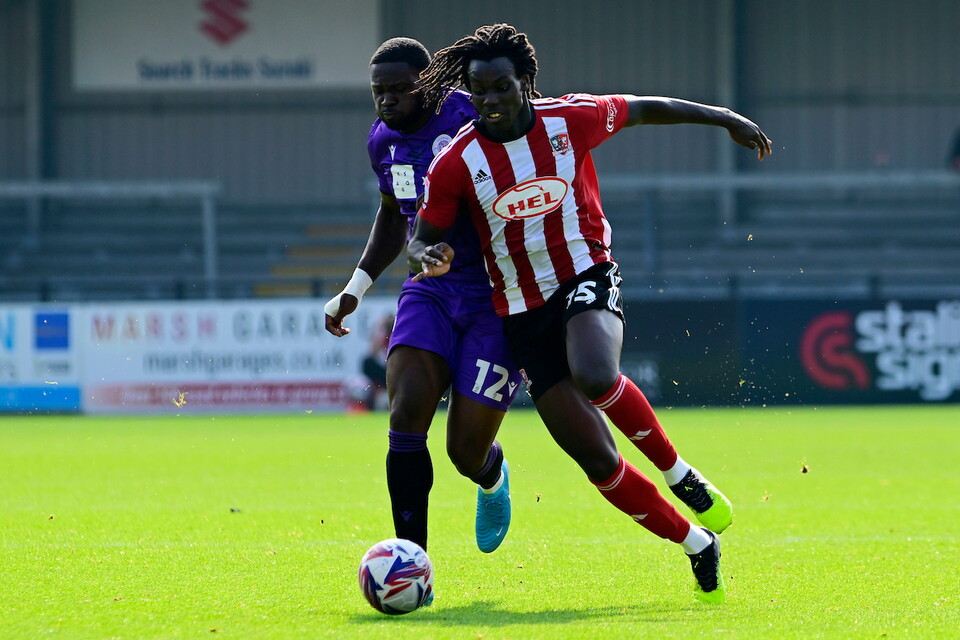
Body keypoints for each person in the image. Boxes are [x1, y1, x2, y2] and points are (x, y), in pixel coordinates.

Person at [408, 23, 772, 604]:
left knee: (596, 373)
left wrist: (722, 116)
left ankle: (681, 475)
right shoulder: (456, 161)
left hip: (584, 273)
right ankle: (696, 542)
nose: (491, 101)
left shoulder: (570, 119)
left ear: (525, 81)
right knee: (599, 462)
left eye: (502, 86)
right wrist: (426, 253)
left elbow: (649, 108)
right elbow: (420, 237)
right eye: (479, 91)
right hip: (521, 312)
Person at [324, 37, 522, 557]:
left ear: (427, 82)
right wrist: (355, 288)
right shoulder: (380, 142)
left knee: (465, 450)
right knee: (406, 412)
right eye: (378, 91)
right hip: (430, 291)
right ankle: (414, 562)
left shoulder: (469, 112)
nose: (387, 100)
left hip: (498, 295)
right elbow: (394, 214)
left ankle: (492, 475)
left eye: (399, 88)